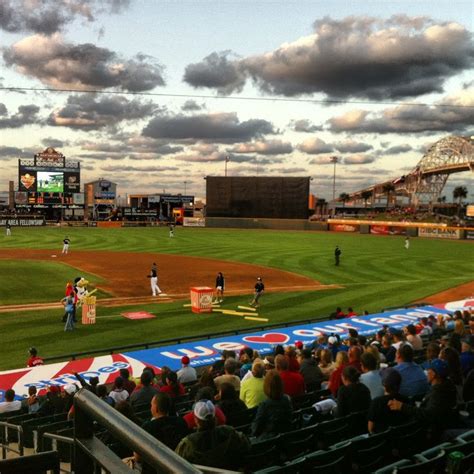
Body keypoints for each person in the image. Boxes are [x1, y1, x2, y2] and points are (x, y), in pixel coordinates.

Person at [388, 359, 459, 441]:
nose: (426, 372)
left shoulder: (438, 393)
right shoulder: (448, 386)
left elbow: (428, 415)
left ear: (433, 374)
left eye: (428, 370)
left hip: (431, 432)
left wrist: (402, 407)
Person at [175, 399, 250, 470]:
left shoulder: (188, 443)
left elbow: (176, 463)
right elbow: (246, 444)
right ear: (215, 418)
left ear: (196, 420)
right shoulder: (229, 432)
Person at [251, 370, 293, 439]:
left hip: (269, 441)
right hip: (286, 437)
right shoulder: (287, 399)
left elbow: (256, 429)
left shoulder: (264, 405)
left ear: (266, 386)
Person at [368, 368, 410, 433]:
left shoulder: (376, 402)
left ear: (384, 385)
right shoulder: (406, 400)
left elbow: (370, 428)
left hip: (383, 440)